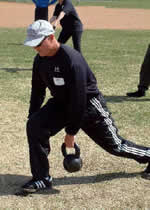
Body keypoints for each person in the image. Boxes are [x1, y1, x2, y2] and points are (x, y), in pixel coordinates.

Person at [22, 20, 150, 193]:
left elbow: (79, 99)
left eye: (38, 44)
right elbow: (37, 91)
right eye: (33, 45)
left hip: (89, 106)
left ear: (51, 37)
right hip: (61, 103)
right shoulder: (40, 60)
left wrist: (71, 133)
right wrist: (33, 115)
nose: (36, 48)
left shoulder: (71, 59)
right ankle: (41, 178)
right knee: (35, 126)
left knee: (116, 146)